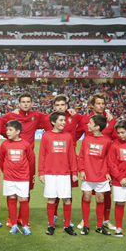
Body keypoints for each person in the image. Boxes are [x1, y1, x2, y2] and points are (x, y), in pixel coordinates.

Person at [76, 92, 117, 230]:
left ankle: (105, 220)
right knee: (86, 194)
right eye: (98, 103)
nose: (101, 106)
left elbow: (116, 139)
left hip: (104, 164)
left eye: (103, 103)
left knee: (105, 194)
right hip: (89, 164)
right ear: (92, 105)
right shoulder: (85, 120)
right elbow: (74, 135)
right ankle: (85, 220)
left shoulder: (111, 120)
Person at [41, 95, 84, 227]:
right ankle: (53, 217)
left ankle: (67, 220)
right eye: (57, 105)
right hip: (53, 162)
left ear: (67, 106)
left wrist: (107, 114)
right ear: (54, 107)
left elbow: (89, 121)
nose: (60, 107)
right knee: (53, 194)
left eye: (62, 105)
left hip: (68, 160)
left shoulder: (75, 117)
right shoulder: (47, 119)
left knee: (67, 192)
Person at [38, 112, 78, 236]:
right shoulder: (46, 136)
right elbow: (42, 154)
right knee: (51, 199)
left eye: (64, 120)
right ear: (53, 122)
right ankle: (51, 224)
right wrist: (40, 172)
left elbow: (71, 155)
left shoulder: (68, 136)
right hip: (50, 173)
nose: (64, 122)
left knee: (66, 199)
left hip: (65, 173)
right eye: (61, 120)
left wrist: (74, 172)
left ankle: (67, 226)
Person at [0, 120, 34, 235]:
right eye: (7, 130)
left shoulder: (25, 144)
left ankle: (25, 225)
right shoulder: (4, 144)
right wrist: (7, 172)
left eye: (10, 130)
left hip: (22, 178)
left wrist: (26, 174)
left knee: (23, 200)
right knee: (12, 199)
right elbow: (1, 160)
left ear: (18, 131)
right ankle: (13, 225)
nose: (7, 132)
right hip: (9, 177)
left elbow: (31, 160)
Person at [78, 115, 112, 236]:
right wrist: (81, 170)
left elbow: (109, 159)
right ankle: (86, 224)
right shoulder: (86, 139)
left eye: (90, 123)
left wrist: (108, 172)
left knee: (100, 198)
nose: (88, 124)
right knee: (86, 197)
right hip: (87, 173)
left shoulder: (107, 141)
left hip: (101, 174)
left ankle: (99, 225)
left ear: (97, 127)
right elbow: (81, 155)